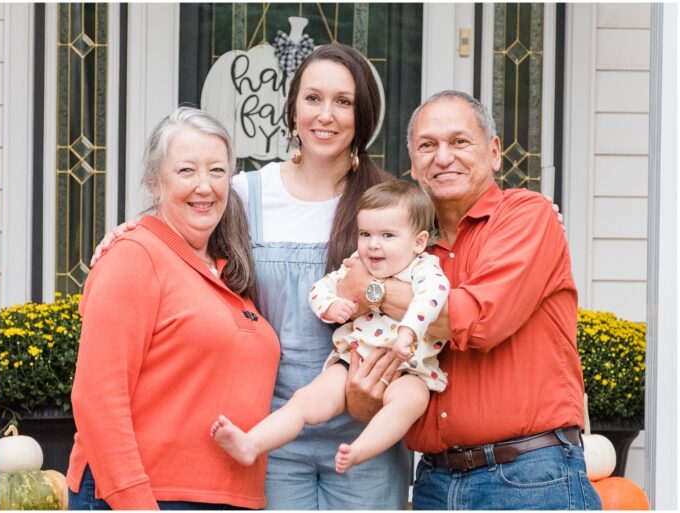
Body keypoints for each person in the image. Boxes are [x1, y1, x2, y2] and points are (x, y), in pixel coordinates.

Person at [91, 43, 411, 509]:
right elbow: (176, 229)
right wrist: (124, 234)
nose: (326, 115)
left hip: (364, 437)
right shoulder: (244, 193)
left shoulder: (386, 203)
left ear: (363, 114)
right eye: (313, 98)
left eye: (343, 101)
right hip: (267, 438)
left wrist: (375, 288)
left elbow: (433, 287)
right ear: (292, 108)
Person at [336, 90, 601, 510]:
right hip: (435, 481)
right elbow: (373, 394)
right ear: (413, 162)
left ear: (494, 152)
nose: (443, 157)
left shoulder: (527, 216)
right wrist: (364, 394)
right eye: (428, 145)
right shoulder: (408, 254)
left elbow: (478, 319)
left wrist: (372, 290)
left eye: (459, 141)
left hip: (530, 477)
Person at [68, 107, 281, 510]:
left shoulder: (227, 270)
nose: (205, 187)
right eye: (186, 171)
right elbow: (97, 397)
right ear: (155, 182)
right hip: (149, 496)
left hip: (230, 497)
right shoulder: (135, 256)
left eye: (217, 171)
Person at [212, 179, 450, 475]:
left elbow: (433, 298)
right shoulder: (356, 264)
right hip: (353, 359)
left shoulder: (424, 268)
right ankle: (252, 443)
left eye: (388, 235)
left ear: (418, 241)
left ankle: (362, 449)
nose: (373, 244)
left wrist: (408, 331)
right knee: (306, 400)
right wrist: (330, 306)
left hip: (411, 367)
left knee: (407, 402)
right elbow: (320, 289)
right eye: (366, 234)